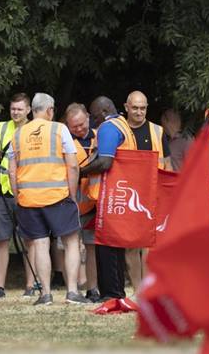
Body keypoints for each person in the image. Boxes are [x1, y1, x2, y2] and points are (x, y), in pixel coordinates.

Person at [79, 92, 170, 300]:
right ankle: (139, 292)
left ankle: (147, 291)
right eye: (135, 108)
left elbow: (167, 164)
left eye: (143, 108)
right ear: (126, 107)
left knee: (148, 247)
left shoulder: (157, 131)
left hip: (151, 194)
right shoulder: (119, 129)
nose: (139, 112)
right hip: (126, 196)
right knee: (129, 247)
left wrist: (79, 172)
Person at [7, 93, 89, 305]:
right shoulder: (59, 129)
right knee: (71, 242)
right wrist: (71, 194)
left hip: (29, 199)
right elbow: (72, 164)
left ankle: (45, 294)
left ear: (32, 110)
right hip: (58, 195)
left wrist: (18, 196)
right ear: (50, 110)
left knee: (40, 244)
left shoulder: (17, 135)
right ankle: (72, 291)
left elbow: (11, 171)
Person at [0, 93, 36, 298]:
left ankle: (31, 285)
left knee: (31, 239)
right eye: (13, 109)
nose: (16, 112)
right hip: (3, 192)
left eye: (20, 109)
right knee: (1, 239)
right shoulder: (1, 128)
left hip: (27, 190)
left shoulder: (36, 130)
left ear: (29, 110)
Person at [63, 103, 99, 302]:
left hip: (95, 203)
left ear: (87, 117)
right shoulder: (65, 141)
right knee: (71, 246)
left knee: (92, 247)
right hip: (72, 202)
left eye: (81, 124)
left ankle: (93, 289)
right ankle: (73, 288)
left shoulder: (100, 136)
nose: (79, 129)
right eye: (74, 126)